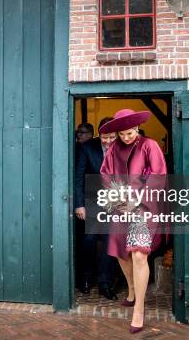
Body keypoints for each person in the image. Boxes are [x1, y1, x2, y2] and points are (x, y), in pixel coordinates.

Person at [99, 109, 167, 335]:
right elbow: (105, 173)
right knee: (120, 252)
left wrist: (137, 199)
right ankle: (131, 289)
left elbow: (159, 175)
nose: (126, 138)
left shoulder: (149, 145)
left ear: (137, 129)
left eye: (129, 133)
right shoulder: (113, 149)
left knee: (139, 252)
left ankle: (139, 307)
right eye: (122, 134)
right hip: (120, 206)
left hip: (144, 207)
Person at [74, 117, 117, 299]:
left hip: (115, 202)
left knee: (110, 242)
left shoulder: (122, 147)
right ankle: (85, 278)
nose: (107, 141)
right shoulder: (87, 148)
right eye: (104, 137)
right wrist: (79, 205)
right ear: (99, 134)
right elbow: (78, 178)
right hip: (91, 201)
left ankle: (105, 283)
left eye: (111, 137)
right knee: (89, 240)